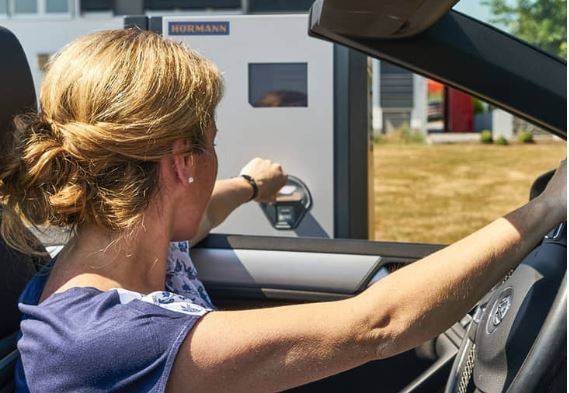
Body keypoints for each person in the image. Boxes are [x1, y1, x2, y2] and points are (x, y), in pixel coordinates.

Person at [0, 29, 565, 393]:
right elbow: (379, 324)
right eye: (212, 141)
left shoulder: (130, 248)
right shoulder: (105, 339)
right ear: (181, 162)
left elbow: (197, 218)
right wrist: (546, 209)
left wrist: (250, 184)